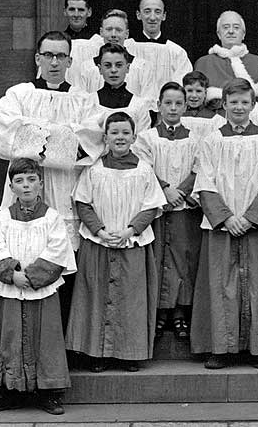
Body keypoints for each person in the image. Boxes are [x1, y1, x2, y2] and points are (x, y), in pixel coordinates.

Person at [0, 32, 103, 352]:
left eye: (61, 57)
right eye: (48, 55)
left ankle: (60, 351)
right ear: (37, 58)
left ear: (70, 61)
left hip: (64, 193)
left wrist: (36, 134)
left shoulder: (84, 99)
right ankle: (11, 347)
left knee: (59, 262)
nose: (54, 62)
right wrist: (59, 136)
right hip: (23, 192)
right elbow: (5, 134)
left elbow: (91, 140)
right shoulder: (18, 95)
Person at [190, 78, 258, 370]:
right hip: (222, 224)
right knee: (219, 283)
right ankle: (220, 349)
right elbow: (204, 181)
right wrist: (226, 218)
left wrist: (249, 218)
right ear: (224, 105)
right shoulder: (211, 140)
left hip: (256, 224)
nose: (239, 108)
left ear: (253, 105)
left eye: (245, 102)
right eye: (234, 103)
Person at [66, 112, 166, 372]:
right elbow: (83, 203)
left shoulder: (144, 171)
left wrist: (129, 231)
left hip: (131, 242)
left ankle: (128, 354)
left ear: (134, 137)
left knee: (130, 300)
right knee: (96, 298)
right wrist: (99, 231)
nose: (119, 137)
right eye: (114, 132)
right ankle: (96, 354)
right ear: (106, 137)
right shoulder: (93, 170)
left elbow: (151, 207)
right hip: (98, 242)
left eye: (125, 133)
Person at [0, 158, 76, 415]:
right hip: (11, 289)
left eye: (31, 180)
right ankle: (7, 392)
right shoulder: (2, 218)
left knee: (46, 340)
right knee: (8, 337)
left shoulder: (52, 217)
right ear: (11, 187)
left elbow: (58, 250)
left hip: (41, 290)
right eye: (20, 181)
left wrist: (33, 277)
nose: (26, 186)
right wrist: (12, 275)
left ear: (41, 184)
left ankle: (48, 393)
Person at [133, 82, 201, 340]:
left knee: (184, 259)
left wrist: (181, 192)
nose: (173, 108)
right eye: (168, 103)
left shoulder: (195, 138)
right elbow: (144, 168)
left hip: (183, 209)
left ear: (185, 106)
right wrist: (165, 190)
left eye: (178, 103)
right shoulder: (147, 138)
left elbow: (199, 167)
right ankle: (160, 313)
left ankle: (180, 313)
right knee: (160, 259)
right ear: (158, 106)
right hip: (159, 210)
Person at [74, 10, 155, 100]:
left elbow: (147, 103)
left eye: (118, 30)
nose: (113, 35)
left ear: (126, 34)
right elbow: (81, 102)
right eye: (109, 29)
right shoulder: (87, 67)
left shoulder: (143, 67)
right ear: (101, 32)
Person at [125, 0, 193, 101]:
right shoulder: (127, 48)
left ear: (164, 16)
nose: (152, 17)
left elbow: (182, 84)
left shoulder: (176, 51)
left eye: (157, 12)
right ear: (138, 15)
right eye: (147, 11)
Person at [193, 11, 258, 110]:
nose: (231, 31)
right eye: (226, 27)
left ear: (243, 34)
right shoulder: (203, 63)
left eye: (236, 27)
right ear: (218, 34)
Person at [89, 42, 152, 135]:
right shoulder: (89, 102)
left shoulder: (139, 106)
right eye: (107, 65)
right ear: (100, 69)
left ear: (127, 68)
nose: (113, 70)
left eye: (119, 65)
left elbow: (143, 141)